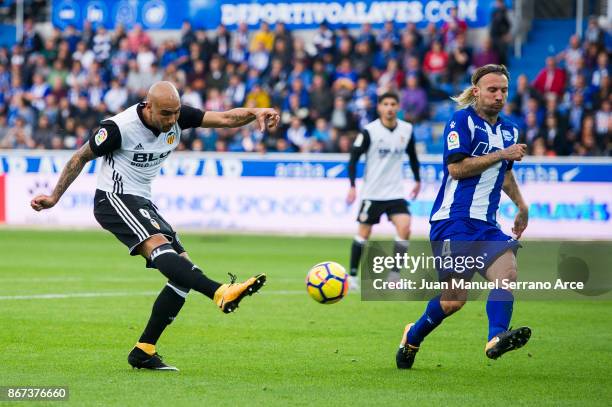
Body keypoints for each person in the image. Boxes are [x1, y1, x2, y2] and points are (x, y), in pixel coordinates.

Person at [30, 81, 281, 371]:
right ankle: (220, 292)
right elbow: (80, 157)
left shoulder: (177, 115)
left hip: (143, 202)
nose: (172, 120)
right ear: (148, 107)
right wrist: (53, 197)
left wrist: (256, 111)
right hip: (114, 198)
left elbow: (224, 118)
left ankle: (144, 349)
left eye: (175, 113)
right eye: (165, 114)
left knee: (184, 273)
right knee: (163, 253)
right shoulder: (117, 128)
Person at [396, 65, 531, 369]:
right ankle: (412, 335)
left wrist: (522, 206)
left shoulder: (510, 129)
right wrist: (501, 154)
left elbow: (504, 175)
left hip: (487, 226)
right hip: (453, 222)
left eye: (504, 90)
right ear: (476, 92)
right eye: (492, 89)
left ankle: (496, 338)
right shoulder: (461, 122)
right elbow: (456, 169)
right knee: (454, 299)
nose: (499, 96)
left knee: (507, 274)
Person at [346, 92, 421, 290]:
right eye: (385, 104)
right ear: (379, 107)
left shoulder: (406, 129)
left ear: (398, 107)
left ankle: (394, 275)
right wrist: (352, 186)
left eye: (393, 104)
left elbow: (413, 156)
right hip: (373, 192)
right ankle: (352, 276)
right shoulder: (369, 131)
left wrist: (417, 180)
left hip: (395, 192)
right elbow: (353, 158)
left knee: (405, 228)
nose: (389, 107)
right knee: (364, 233)